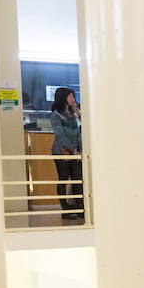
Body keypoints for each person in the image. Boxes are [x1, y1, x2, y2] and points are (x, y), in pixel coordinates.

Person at [49, 87, 83, 220]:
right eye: (70, 97)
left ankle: (80, 208)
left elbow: (78, 133)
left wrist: (78, 149)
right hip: (61, 152)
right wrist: (71, 149)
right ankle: (65, 209)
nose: (73, 100)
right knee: (63, 178)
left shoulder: (72, 114)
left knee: (77, 178)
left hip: (74, 152)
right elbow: (60, 135)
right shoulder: (55, 115)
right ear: (63, 98)